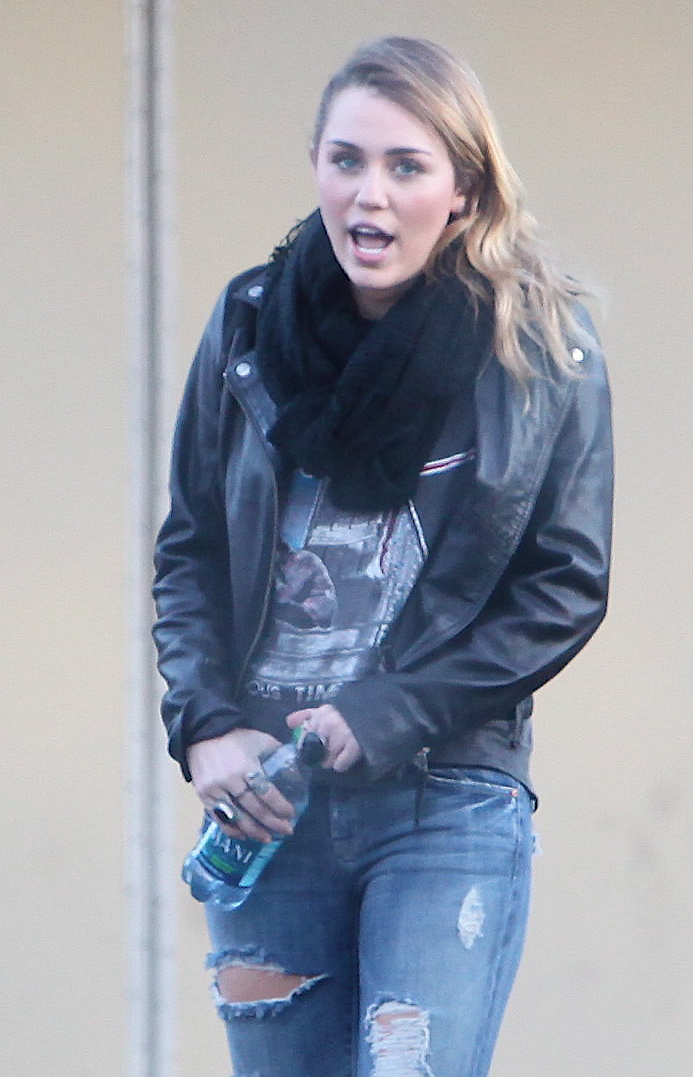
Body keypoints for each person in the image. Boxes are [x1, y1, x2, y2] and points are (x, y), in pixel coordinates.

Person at [152, 35, 613, 1077]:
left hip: (445, 799)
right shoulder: (247, 324)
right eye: (348, 160)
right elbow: (189, 548)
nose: (372, 194)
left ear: (463, 190)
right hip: (267, 805)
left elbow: (564, 587)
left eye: (407, 166)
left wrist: (389, 711)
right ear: (316, 167)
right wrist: (205, 723)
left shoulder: (541, 348)